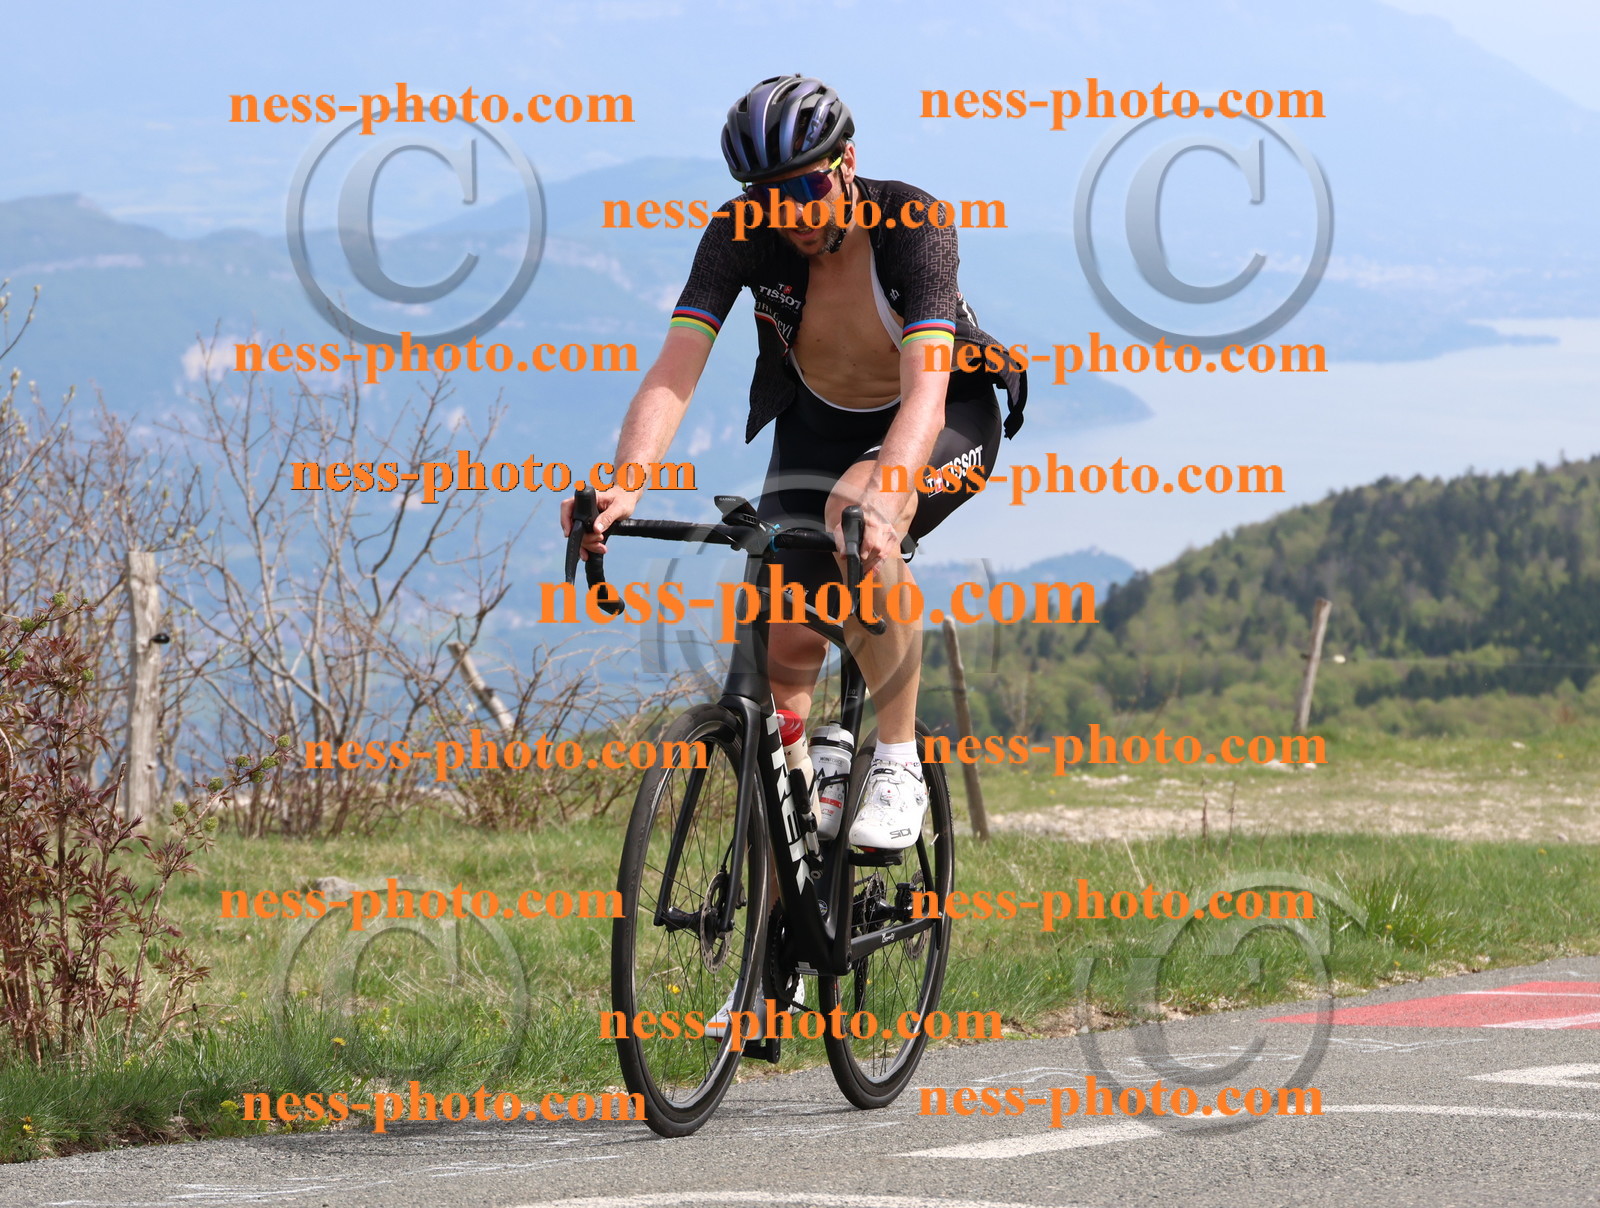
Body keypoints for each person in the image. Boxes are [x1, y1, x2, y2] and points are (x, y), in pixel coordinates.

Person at [563, 74, 1026, 851]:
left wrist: (891, 493)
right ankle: (789, 943)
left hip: (944, 420)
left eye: (808, 187)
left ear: (848, 162)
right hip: (816, 428)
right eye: (772, 196)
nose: (795, 214)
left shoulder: (915, 222)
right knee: (785, 637)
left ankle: (899, 760)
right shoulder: (741, 234)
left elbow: (926, 392)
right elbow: (676, 369)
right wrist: (624, 482)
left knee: (855, 507)